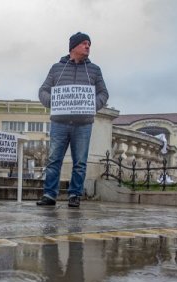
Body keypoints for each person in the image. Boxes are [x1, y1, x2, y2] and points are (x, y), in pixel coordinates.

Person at [37, 32, 109, 208]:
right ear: (73, 47)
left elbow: (103, 93)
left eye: (89, 44)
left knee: (80, 162)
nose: (88, 47)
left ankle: (75, 195)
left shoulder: (94, 70)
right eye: (84, 43)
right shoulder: (56, 69)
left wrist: (92, 105)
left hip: (83, 124)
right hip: (59, 123)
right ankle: (49, 194)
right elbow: (43, 90)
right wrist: (53, 102)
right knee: (54, 160)